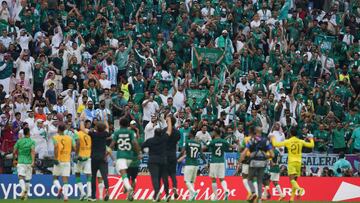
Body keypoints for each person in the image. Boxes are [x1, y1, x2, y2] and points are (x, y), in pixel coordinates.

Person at [270, 127, 314, 202]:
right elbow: (311, 145)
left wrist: (273, 137)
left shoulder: (288, 141)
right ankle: (292, 198)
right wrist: (311, 139)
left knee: (291, 179)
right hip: (299, 162)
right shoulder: (301, 141)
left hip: (291, 162)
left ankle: (299, 189)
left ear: (290, 134)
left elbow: (275, 144)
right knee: (295, 180)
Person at [109, 118, 142, 201]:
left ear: (120, 124)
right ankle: (130, 191)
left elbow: (112, 144)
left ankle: (128, 188)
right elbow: (135, 143)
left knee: (123, 174)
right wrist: (139, 153)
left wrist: (107, 153)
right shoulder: (131, 133)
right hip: (130, 158)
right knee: (132, 178)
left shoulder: (117, 132)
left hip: (121, 156)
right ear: (128, 124)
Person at [141, 115, 172, 202]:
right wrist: (169, 120)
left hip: (153, 160)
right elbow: (169, 130)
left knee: (155, 178)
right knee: (165, 178)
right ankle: (167, 194)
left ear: (154, 133)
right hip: (163, 160)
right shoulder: (164, 138)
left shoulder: (150, 140)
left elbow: (142, 147)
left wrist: (141, 152)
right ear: (161, 133)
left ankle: (157, 193)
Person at [80, 116, 110, 202]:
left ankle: (93, 196)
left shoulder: (93, 134)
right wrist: (105, 119)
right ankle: (107, 191)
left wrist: (82, 120)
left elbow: (82, 129)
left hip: (94, 158)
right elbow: (107, 127)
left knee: (93, 177)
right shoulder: (105, 134)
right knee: (104, 176)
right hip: (102, 158)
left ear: (96, 127)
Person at [240, 127, 273, 202]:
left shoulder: (252, 140)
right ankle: (260, 199)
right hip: (262, 163)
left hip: (253, 162)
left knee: (249, 179)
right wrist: (266, 156)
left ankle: (253, 192)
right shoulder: (266, 141)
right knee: (260, 181)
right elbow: (272, 155)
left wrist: (241, 158)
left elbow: (244, 151)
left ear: (255, 131)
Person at [178, 129, 205, 201]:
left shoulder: (187, 142)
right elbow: (202, 155)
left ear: (191, 134)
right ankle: (191, 197)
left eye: (189, 133)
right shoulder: (198, 143)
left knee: (186, 181)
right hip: (195, 165)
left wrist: (177, 158)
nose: (188, 134)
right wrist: (205, 161)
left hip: (189, 164)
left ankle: (194, 192)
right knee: (192, 181)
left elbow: (182, 152)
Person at [204, 128, 230, 201]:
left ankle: (216, 197)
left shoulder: (212, 141)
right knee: (222, 179)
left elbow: (205, 147)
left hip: (214, 162)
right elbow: (231, 146)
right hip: (221, 161)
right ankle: (226, 190)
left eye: (213, 132)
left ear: (215, 133)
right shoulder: (224, 141)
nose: (212, 133)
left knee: (213, 179)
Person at [52, 124, 75, 201]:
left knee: (55, 177)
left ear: (58, 130)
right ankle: (66, 197)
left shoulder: (55, 137)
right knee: (65, 179)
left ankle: (59, 188)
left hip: (59, 160)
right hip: (67, 161)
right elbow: (74, 148)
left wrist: (55, 158)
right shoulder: (70, 138)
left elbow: (55, 148)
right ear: (64, 130)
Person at [13, 127, 35, 200]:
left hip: (21, 161)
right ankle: (26, 195)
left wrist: (15, 159)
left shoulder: (19, 141)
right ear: (28, 132)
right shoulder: (32, 141)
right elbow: (32, 152)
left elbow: (14, 151)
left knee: (21, 177)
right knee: (28, 179)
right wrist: (33, 161)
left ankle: (23, 190)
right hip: (29, 162)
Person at [74, 124, 92, 200]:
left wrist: (76, 154)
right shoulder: (90, 133)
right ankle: (89, 194)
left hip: (80, 157)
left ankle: (82, 192)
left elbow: (77, 143)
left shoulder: (78, 133)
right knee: (88, 175)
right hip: (88, 157)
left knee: (77, 174)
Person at [166, 116, 181, 198]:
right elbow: (178, 139)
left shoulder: (165, 131)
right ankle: (175, 187)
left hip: (165, 154)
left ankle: (167, 192)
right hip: (173, 154)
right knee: (173, 174)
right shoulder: (177, 132)